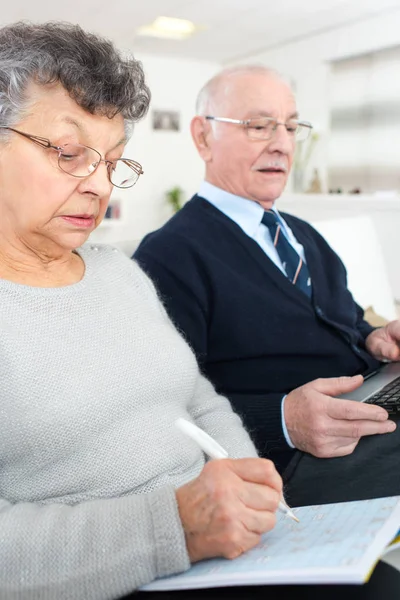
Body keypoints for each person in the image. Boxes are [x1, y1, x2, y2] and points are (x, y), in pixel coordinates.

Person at [0, 27, 283, 599]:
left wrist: (249, 493)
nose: (100, 184)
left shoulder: (118, 273)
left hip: (238, 557)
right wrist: (175, 528)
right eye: (70, 154)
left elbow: (198, 399)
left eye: (112, 161)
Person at [134, 65, 400, 478]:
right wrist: (283, 420)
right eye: (259, 126)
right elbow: (165, 411)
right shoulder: (169, 256)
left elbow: (347, 319)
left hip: (372, 410)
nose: (281, 145)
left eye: (291, 128)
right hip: (293, 461)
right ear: (204, 137)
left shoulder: (304, 235)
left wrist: (375, 337)